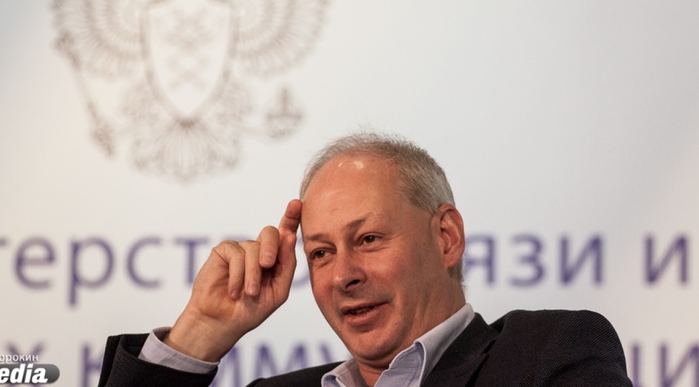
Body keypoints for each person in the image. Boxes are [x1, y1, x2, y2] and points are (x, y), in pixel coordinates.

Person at [98, 132, 632, 386]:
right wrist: (199, 333)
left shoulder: (547, 354)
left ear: (446, 237)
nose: (343, 275)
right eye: (321, 252)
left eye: (370, 239)